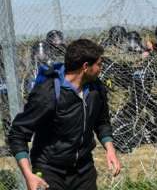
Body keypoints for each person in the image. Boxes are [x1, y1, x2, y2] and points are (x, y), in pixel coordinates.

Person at [8, 39, 121, 190]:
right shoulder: (48, 93)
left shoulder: (96, 89)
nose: (101, 69)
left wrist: (110, 149)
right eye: (99, 64)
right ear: (85, 67)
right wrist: (28, 175)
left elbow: (102, 121)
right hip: (50, 170)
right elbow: (18, 133)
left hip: (84, 169)